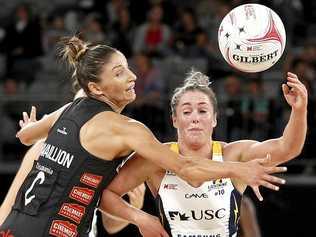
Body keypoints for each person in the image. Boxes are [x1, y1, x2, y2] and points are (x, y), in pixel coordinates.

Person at [0, 36, 286, 237]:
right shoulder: (125, 129)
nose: (133, 76)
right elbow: (186, 167)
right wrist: (240, 169)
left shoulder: (66, 109)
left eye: (127, 67)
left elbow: (26, 137)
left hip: (12, 227)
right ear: (97, 89)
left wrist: (32, 125)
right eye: (119, 72)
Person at [99, 70, 307, 237]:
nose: (195, 118)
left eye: (203, 111)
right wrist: (141, 218)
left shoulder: (233, 154)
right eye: (187, 112)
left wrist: (299, 111)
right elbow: (105, 195)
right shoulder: (155, 158)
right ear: (174, 120)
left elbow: (287, 148)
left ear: (215, 119)